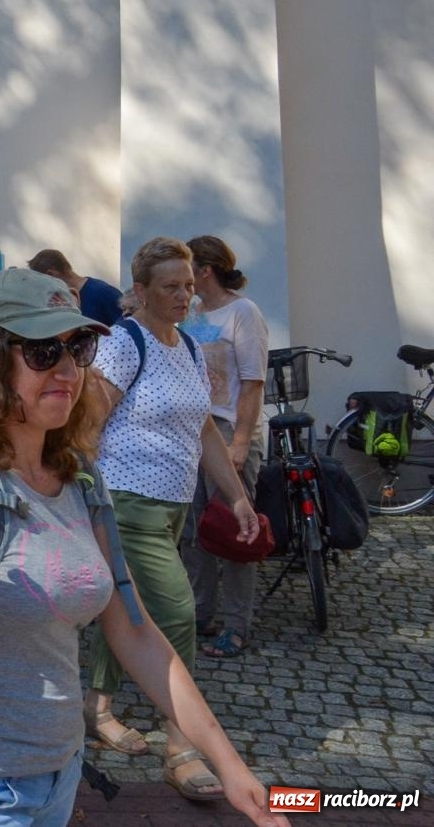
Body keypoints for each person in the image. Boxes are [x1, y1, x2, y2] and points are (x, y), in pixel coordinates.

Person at [0, 267, 283, 827]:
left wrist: (229, 763)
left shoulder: (78, 476)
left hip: (59, 772)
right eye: (43, 351)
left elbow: (136, 631)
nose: (68, 369)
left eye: (77, 348)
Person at [83, 237, 261, 803]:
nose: (185, 295)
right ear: (139, 291)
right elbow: (87, 426)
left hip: (174, 506)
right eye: (170, 287)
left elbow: (205, 429)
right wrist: (76, 502)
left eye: (188, 285)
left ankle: (95, 705)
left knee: (129, 607)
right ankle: (181, 746)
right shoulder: (123, 344)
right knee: (178, 613)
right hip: (126, 503)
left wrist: (235, 497)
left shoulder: (186, 345)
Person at [181, 236, 269, 659]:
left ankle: (237, 625)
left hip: (232, 428)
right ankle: (201, 613)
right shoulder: (193, 312)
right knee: (195, 530)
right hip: (194, 431)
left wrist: (240, 442)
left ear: (205, 271)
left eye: (186, 270)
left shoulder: (243, 312)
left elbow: (253, 383)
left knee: (236, 531)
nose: (181, 280)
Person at [28, 248, 124, 327]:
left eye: (41, 283)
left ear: (51, 274)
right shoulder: (62, 302)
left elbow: (128, 334)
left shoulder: (104, 293)